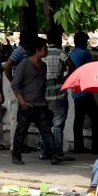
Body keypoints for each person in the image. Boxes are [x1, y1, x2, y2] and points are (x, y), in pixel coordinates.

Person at [11, 43, 74, 165]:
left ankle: (54, 155)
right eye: (44, 49)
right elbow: (15, 84)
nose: (47, 51)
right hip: (27, 104)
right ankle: (16, 155)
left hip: (41, 104)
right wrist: (22, 101)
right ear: (37, 50)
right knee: (21, 131)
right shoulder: (24, 65)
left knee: (46, 131)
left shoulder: (43, 66)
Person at [68, 31, 98, 155]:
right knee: (97, 118)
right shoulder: (84, 53)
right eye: (86, 41)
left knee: (79, 118)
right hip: (84, 90)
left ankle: (78, 146)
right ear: (83, 42)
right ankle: (96, 146)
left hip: (76, 89)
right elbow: (91, 68)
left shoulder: (72, 53)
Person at [41, 28, 71, 157]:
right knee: (58, 125)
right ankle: (57, 152)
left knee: (45, 124)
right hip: (58, 93)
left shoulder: (41, 53)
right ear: (59, 39)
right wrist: (65, 77)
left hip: (43, 93)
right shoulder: (60, 53)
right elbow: (72, 65)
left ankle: (44, 152)